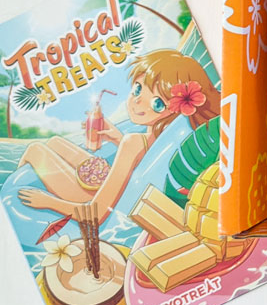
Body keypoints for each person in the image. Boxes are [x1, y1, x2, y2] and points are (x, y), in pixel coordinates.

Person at [17, 50, 219, 226]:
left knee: (36, 149)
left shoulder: (133, 142)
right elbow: (147, 162)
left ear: (176, 107)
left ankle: (13, 187)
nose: (137, 101)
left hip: (102, 205)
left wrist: (48, 202)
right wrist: (118, 139)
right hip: (124, 191)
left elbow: (95, 214)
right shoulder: (171, 130)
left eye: (157, 103)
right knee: (55, 143)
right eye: (138, 89)